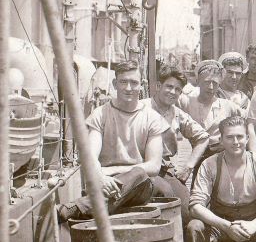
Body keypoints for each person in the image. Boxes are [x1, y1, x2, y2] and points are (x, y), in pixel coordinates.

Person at [58, 60, 169, 221]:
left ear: (142, 85)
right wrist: (102, 178)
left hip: (139, 186)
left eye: (134, 82)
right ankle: (94, 206)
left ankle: (79, 207)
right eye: (123, 82)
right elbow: (89, 157)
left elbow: (153, 166)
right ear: (115, 83)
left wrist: (110, 172)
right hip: (104, 183)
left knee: (138, 173)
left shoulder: (152, 118)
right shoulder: (100, 114)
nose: (128, 88)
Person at [141, 64, 210, 223]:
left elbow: (203, 137)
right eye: (169, 86)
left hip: (165, 170)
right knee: (165, 199)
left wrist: (188, 167)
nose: (173, 92)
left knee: (189, 210)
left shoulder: (177, 114)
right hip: (140, 167)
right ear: (159, 86)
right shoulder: (142, 108)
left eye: (178, 89)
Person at [178, 60, 242, 181]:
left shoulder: (227, 106)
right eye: (207, 82)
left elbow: (248, 121)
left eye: (215, 83)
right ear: (198, 81)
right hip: (198, 158)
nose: (211, 87)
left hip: (223, 159)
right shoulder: (186, 102)